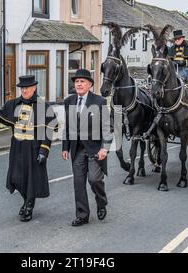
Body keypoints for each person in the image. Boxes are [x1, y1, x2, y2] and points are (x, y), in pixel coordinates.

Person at [0, 75, 56, 222]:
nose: (24, 90)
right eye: (22, 88)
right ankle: (25, 200)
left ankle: (29, 205)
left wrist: (44, 150)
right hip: (17, 146)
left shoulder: (44, 106)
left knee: (31, 179)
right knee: (17, 177)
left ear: (34, 88)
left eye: (27, 88)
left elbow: (49, 129)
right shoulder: (13, 104)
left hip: (34, 147)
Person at [62, 69, 113, 227]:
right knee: (78, 182)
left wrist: (105, 148)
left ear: (90, 84)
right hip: (77, 149)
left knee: (94, 179)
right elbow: (68, 126)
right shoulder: (69, 101)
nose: (79, 84)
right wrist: (65, 147)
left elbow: (108, 127)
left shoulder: (99, 102)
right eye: (76, 81)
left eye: (82, 81)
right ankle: (82, 215)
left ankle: (101, 201)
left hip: (95, 148)